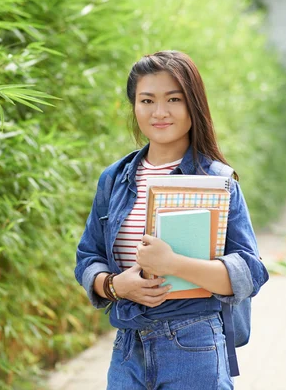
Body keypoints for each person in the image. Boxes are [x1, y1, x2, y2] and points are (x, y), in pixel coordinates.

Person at [74, 50, 269, 389]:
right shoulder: (114, 178)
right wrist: (114, 285)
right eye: (146, 100)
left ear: (193, 105)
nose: (159, 112)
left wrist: (172, 263)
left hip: (193, 345)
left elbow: (249, 274)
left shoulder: (217, 181)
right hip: (127, 346)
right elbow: (87, 258)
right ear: (134, 107)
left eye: (173, 99)